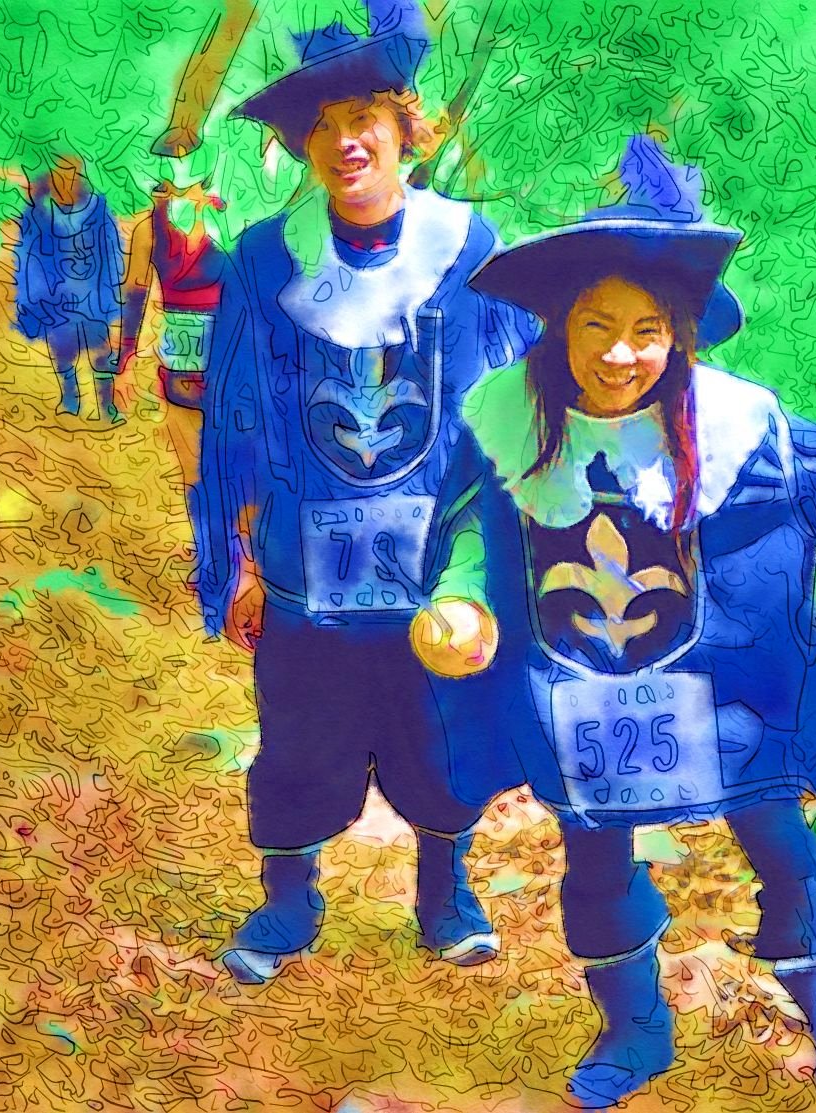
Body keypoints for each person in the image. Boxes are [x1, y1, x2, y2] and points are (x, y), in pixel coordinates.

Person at [453, 135, 816, 1110]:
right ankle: (633, 1033)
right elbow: (473, 536)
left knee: (788, 856)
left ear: (679, 334)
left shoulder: (747, 429)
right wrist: (459, 600)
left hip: (731, 697)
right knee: (597, 859)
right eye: (596, 325)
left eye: (646, 329)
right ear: (560, 327)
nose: (620, 353)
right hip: (580, 695)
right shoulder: (512, 423)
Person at [192, 0, 537, 983]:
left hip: (436, 553)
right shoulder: (266, 258)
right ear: (304, 146)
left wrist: (504, 560)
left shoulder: (470, 249)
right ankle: (288, 900)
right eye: (323, 127)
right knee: (299, 728)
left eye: (363, 118)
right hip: (305, 559)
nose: (346, 142)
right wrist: (236, 561)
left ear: (402, 126)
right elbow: (235, 419)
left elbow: (510, 410)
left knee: (440, 725)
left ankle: (444, 891)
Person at [120, 164, 227, 496]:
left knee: (229, 469)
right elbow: (134, 294)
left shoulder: (229, 217)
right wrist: (125, 360)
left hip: (228, 358)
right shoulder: (151, 228)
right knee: (194, 470)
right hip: (186, 364)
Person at [14, 154, 125, 424]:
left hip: (92, 297)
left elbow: (112, 251)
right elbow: (28, 257)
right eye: (60, 173)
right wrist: (37, 297)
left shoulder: (97, 209)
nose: (68, 180)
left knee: (101, 350)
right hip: (56, 299)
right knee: (62, 349)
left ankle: (106, 405)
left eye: (73, 173)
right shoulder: (38, 214)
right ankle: (70, 399)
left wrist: (110, 291)